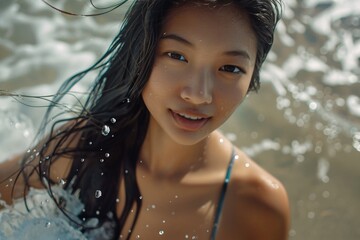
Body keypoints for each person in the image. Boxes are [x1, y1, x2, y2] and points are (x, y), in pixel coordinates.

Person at [0, 0, 289, 239]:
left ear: (253, 78)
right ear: (141, 55)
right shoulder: (83, 148)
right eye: (176, 55)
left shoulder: (256, 205)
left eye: (230, 68)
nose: (199, 95)